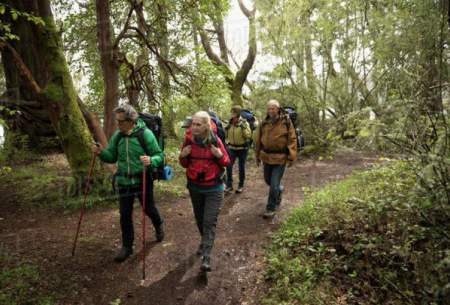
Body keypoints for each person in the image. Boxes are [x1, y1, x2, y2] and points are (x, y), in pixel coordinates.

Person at [92, 104, 164, 263]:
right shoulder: (118, 135)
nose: (118, 125)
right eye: (117, 121)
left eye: (121, 121)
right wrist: (101, 153)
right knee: (125, 214)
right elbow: (111, 156)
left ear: (131, 120)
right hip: (124, 180)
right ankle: (127, 246)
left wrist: (151, 160)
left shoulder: (146, 134)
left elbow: (159, 155)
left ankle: (158, 224)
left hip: (143, 180)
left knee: (149, 208)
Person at [179, 111, 230, 272]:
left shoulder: (215, 140)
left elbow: (227, 161)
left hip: (214, 188)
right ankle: (204, 241)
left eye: (198, 124)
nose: (194, 127)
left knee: (209, 221)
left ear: (207, 126)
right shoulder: (188, 140)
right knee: (200, 220)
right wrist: (183, 156)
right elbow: (185, 164)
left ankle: (206, 256)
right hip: (195, 187)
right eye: (193, 124)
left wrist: (219, 155)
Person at [255, 100, 297, 218]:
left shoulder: (286, 122)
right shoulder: (264, 123)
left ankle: (270, 208)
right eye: (269, 108)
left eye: (273, 108)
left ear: (278, 109)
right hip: (266, 157)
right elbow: (258, 140)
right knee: (268, 181)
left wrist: (291, 156)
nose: (270, 111)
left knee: (273, 184)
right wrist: (257, 156)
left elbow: (292, 139)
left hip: (280, 158)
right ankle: (279, 189)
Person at [225, 105, 252, 193]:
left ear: (238, 113)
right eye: (231, 112)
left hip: (242, 149)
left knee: (241, 167)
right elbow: (225, 135)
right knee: (228, 166)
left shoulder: (244, 123)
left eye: (234, 112)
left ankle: (241, 185)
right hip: (232, 148)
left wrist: (242, 127)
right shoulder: (230, 123)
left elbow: (248, 135)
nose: (232, 114)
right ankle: (229, 185)